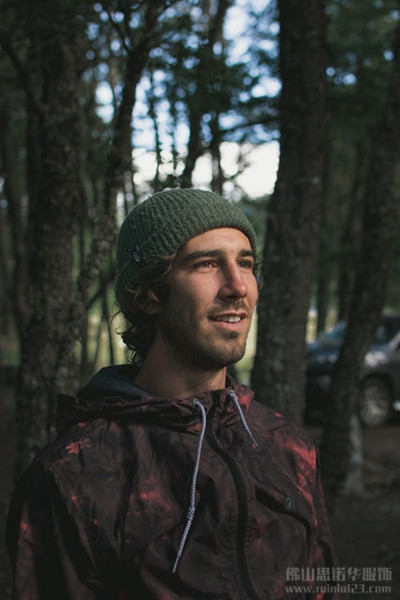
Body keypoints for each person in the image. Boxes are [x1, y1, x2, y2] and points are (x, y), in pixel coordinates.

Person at [6, 188, 344, 599]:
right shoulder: (75, 475)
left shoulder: (288, 446)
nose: (238, 286)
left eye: (245, 263)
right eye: (206, 264)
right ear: (150, 294)